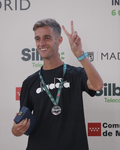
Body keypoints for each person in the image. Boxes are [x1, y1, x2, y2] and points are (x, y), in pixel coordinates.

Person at [12, 18, 103, 150]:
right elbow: (18, 129)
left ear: (59, 40)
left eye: (47, 38)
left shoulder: (76, 74)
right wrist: (16, 129)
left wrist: (80, 54)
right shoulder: (29, 82)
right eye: (37, 39)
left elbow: (97, 86)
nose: (41, 43)